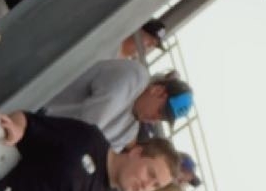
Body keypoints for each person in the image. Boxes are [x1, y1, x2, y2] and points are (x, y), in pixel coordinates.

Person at [0, 110, 181, 191]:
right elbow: (28, 121)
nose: (146, 185)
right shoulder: (88, 138)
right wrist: (18, 130)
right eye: (150, 174)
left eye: (155, 186)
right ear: (136, 152)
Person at [44, 59, 193, 150]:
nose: (155, 119)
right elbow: (84, 129)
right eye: (160, 111)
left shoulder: (130, 130)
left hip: (47, 137)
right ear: (157, 90)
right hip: (39, 102)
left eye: (162, 118)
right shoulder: (135, 76)